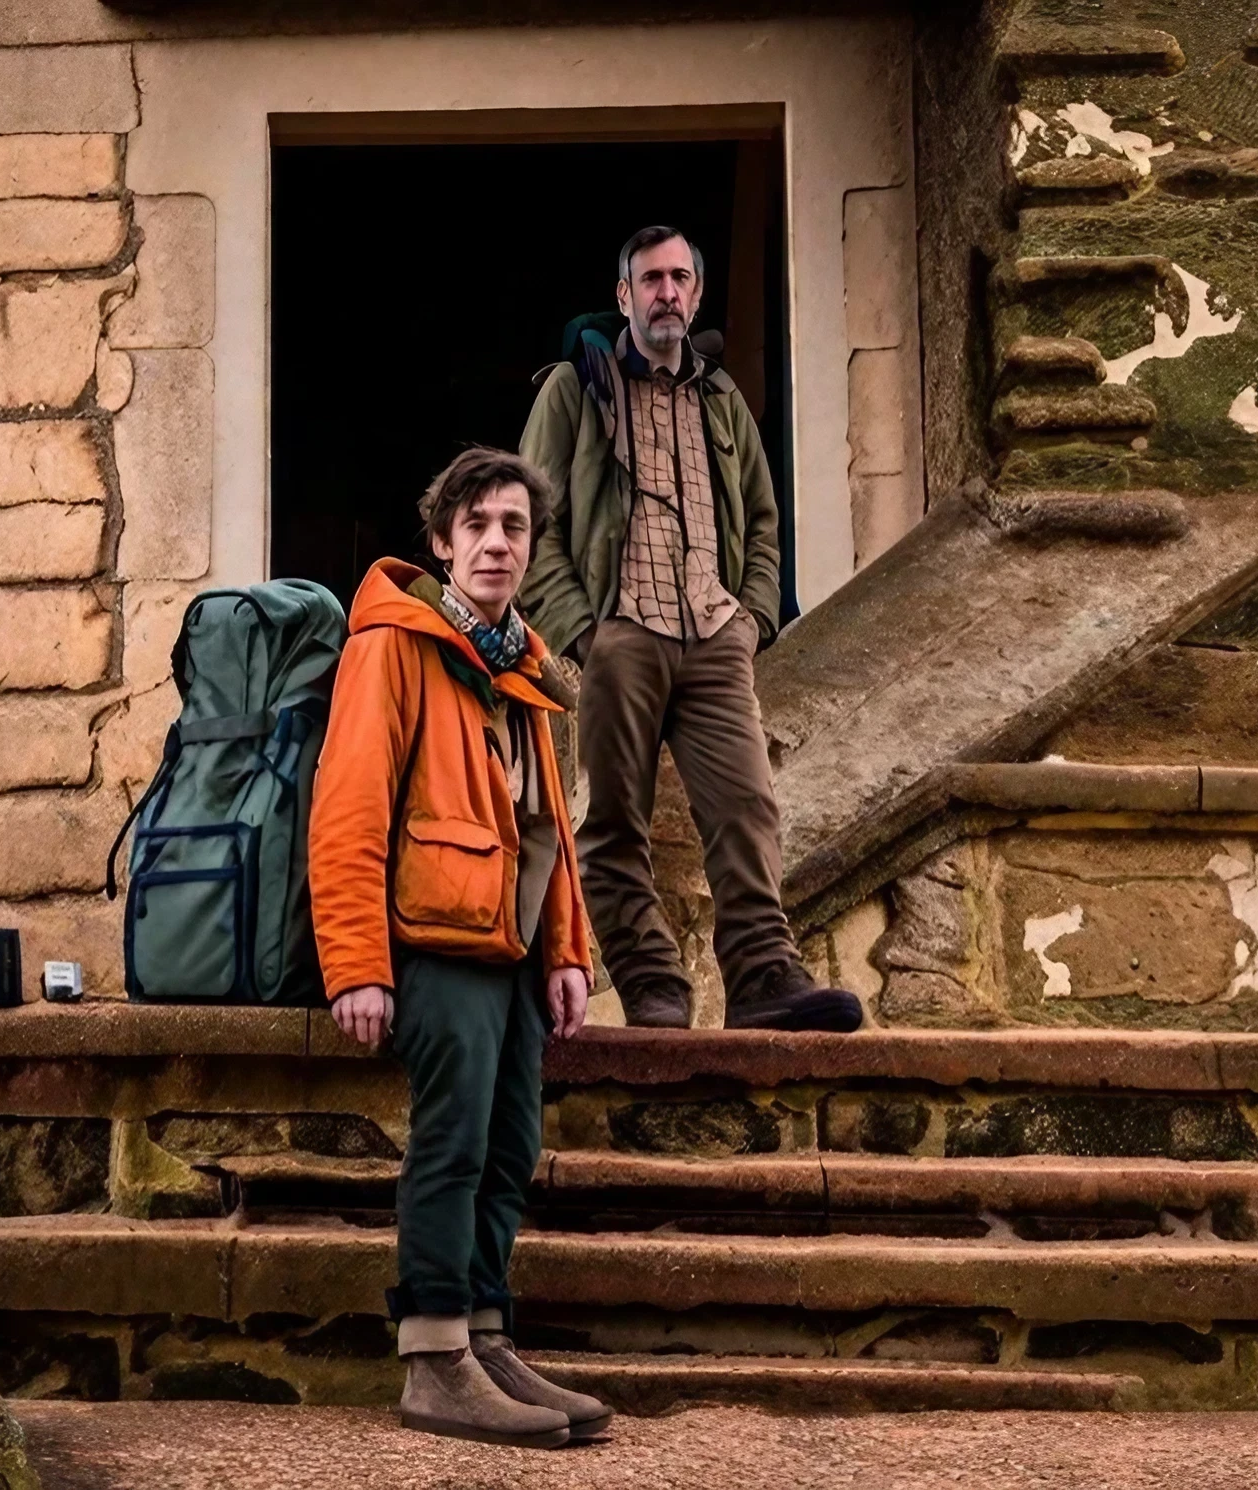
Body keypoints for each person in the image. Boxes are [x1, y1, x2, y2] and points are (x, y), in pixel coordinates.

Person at [309, 447, 614, 1448]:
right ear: (441, 542)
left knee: (509, 1147)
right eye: (476, 524)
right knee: (451, 1143)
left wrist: (567, 950)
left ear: (530, 547)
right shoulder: (392, 645)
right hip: (431, 941)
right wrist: (355, 963)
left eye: (513, 526)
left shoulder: (521, 663)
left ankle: (484, 1335)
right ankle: (432, 1356)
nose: (494, 541)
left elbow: (547, 827)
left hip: (514, 947)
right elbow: (347, 809)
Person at [518, 224, 863, 1033]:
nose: (666, 292)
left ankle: (763, 978)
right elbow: (532, 519)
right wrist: (583, 632)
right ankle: (652, 985)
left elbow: (766, 521)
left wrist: (749, 621)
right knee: (612, 824)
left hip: (713, 636)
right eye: (650, 279)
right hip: (621, 632)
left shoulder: (722, 396)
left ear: (696, 293)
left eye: (679, 278)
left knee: (747, 810)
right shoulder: (573, 389)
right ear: (623, 296)